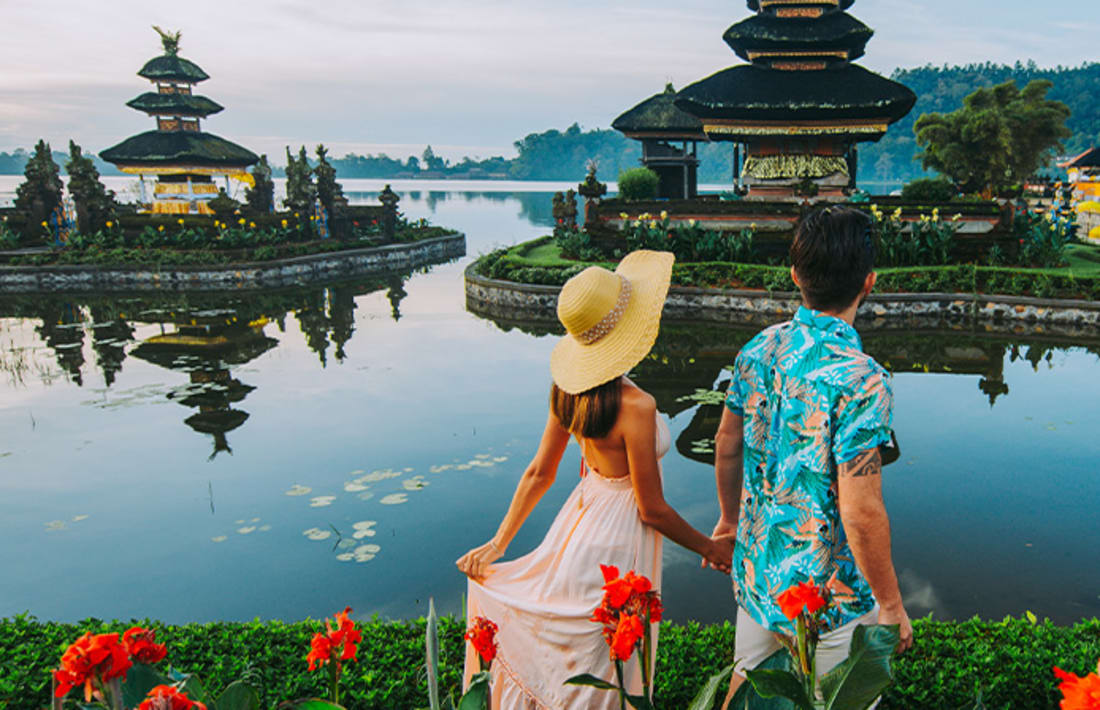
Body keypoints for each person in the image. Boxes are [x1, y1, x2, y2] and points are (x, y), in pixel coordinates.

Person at [456, 250, 735, 709]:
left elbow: (539, 472)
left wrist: (499, 543)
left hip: (579, 522)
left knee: (584, 645)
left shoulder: (567, 389)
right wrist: (709, 547)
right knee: (610, 653)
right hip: (621, 536)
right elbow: (651, 508)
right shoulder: (637, 406)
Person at [710, 207, 914, 709]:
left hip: (759, 573)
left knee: (749, 691)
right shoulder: (862, 378)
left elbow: (727, 444)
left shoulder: (759, 349)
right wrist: (891, 605)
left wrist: (728, 521)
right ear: (869, 282)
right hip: (828, 598)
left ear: (796, 275)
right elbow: (860, 509)